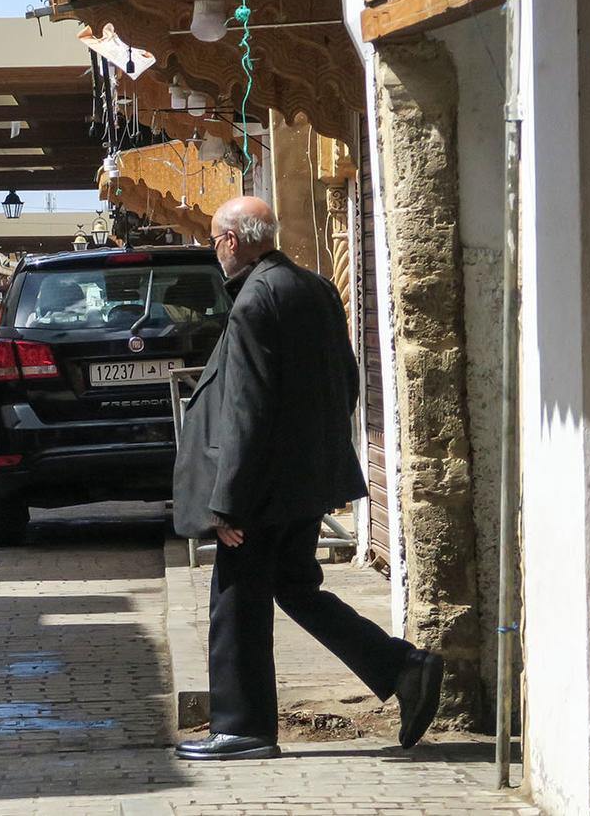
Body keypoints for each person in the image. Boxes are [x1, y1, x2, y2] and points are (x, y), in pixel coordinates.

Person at [171, 197, 443, 761]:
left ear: (230, 241)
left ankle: (242, 727)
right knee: (295, 587)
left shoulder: (253, 300)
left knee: (237, 598)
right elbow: (344, 381)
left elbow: (248, 409)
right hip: (303, 479)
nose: (214, 249)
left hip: (262, 488)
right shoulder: (315, 288)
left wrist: (228, 505)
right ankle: (402, 667)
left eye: (215, 239)